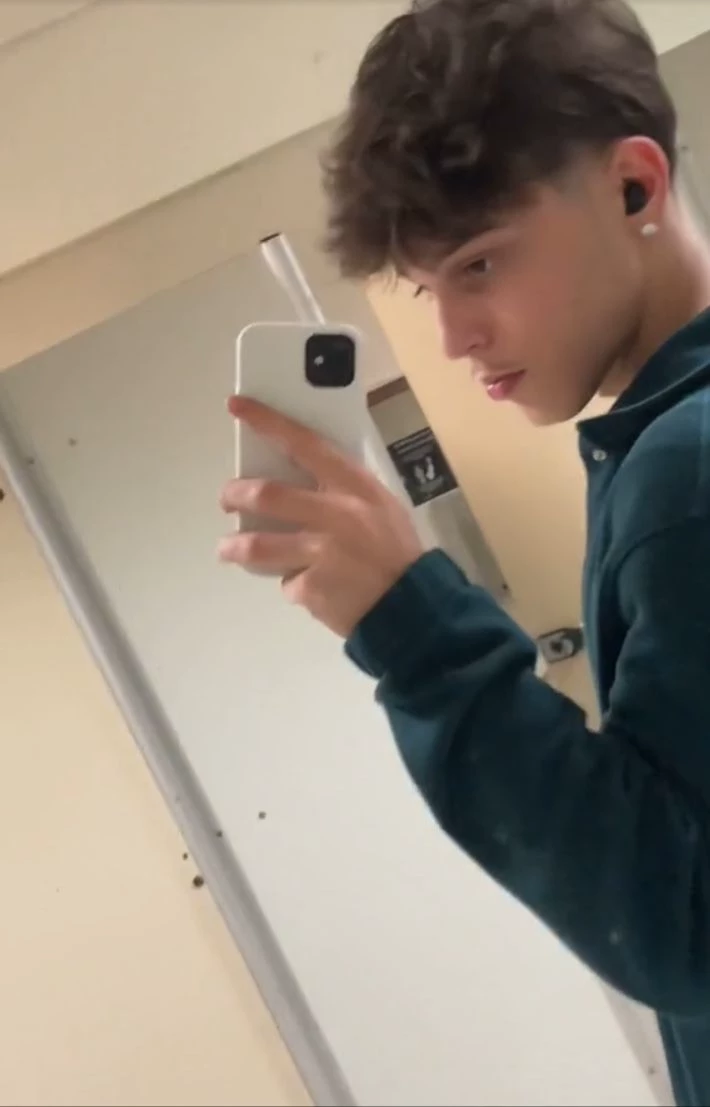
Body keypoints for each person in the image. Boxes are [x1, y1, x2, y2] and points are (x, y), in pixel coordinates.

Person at [218, 2, 710, 1103]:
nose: (452, 337)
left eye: (479, 264)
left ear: (633, 187)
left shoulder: (686, 474)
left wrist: (413, 626)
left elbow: (685, 922)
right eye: (425, 287)